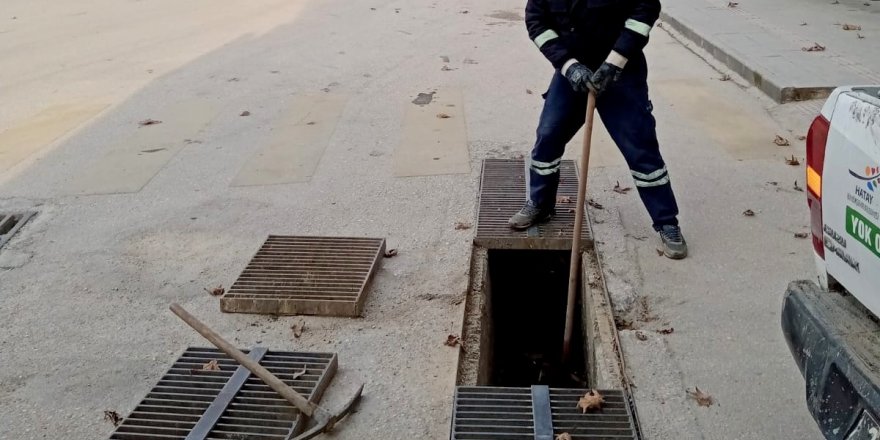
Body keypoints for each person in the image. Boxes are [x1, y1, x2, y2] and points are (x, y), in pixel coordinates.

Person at [509, 0, 687, 259]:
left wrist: (615, 61)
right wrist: (568, 66)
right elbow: (537, 22)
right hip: (573, 73)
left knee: (640, 148)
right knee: (548, 136)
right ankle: (541, 203)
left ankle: (667, 221)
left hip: (621, 72)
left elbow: (645, 9)